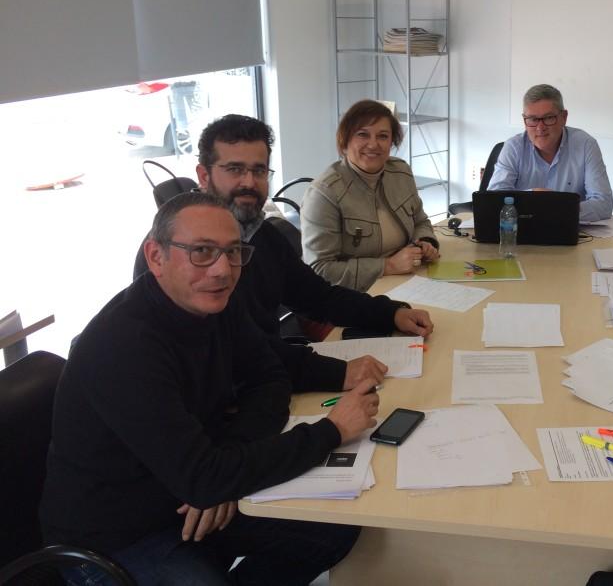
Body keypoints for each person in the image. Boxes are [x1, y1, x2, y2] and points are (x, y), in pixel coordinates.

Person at [42, 193, 381, 585]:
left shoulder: (214, 302)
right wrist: (331, 431)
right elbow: (204, 478)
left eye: (233, 251)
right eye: (201, 251)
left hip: (188, 488)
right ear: (156, 257)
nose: (222, 270)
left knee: (335, 528)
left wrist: (224, 470)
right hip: (117, 539)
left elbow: (271, 377)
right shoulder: (123, 346)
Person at [133, 114, 434, 393]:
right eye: (235, 169)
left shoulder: (264, 236)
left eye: (258, 170)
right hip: (227, 401)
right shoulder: (175, 254)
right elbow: (234, 354)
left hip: (271, 382)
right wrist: (337, 373)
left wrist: (391, 313)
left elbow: (318, 297)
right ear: (203, 175)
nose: (249, 182)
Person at [301, 100, 440, 292]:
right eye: (362, 134)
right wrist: (387, 266)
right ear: (345, 140)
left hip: (405, 281)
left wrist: (426, 242)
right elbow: (319, 270)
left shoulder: (401, 172)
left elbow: (420, 221)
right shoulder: (324, 194)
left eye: (383, 136)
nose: (373, 144)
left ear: (392, 142)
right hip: (352, 295)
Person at [487, 83, 613, 222]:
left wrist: (555, 206)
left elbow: (604, 204)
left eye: (548, 118)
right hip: (521, 230)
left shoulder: (585, 145)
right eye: (533, 119)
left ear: (564, 117)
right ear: (525, 120)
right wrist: (533, 196)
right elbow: (493, 201)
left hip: (569, 230)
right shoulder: (513, 147)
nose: (540, 128)